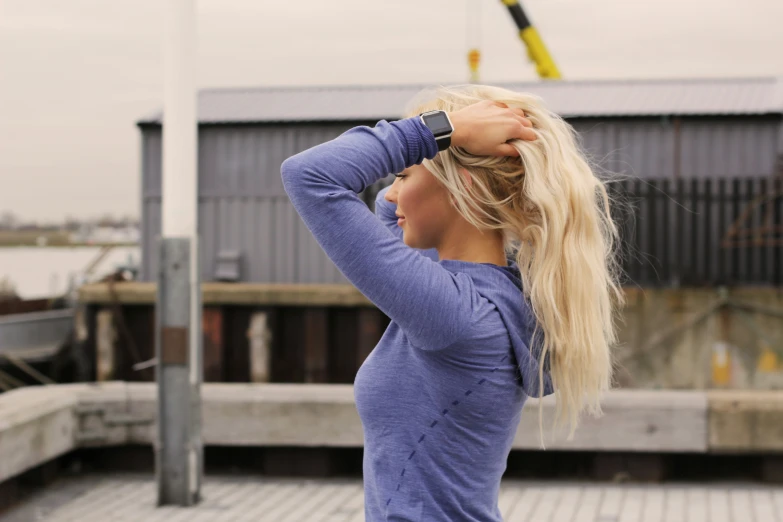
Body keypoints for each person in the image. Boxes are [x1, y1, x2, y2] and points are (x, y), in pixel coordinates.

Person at [281, 84, 624, 521]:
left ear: (462, 187)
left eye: (402, 176)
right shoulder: (496, 298)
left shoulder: (455, 314)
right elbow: (390, 212)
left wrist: (447, 129)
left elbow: (310, 176)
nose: (388, 193)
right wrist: (444, 141)